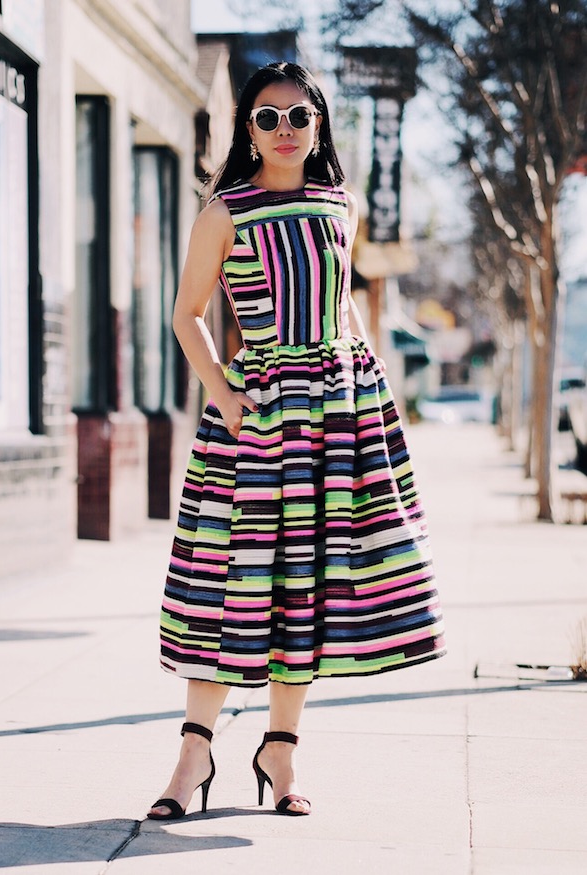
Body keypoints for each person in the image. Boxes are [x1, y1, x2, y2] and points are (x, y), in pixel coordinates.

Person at [148, 62, 446, 821]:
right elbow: (188, 314)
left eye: (298, 117)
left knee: (305, 585)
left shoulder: (341, 207)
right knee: (228, 582)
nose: (284, 130)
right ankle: (194, 750)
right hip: (257, 413)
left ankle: (281, 749)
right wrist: (221, 393)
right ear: (247, 130)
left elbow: (345, 306)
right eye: (267, 118)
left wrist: (375, 394)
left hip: (338, 413)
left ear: (318, 126)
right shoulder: (225, 212)